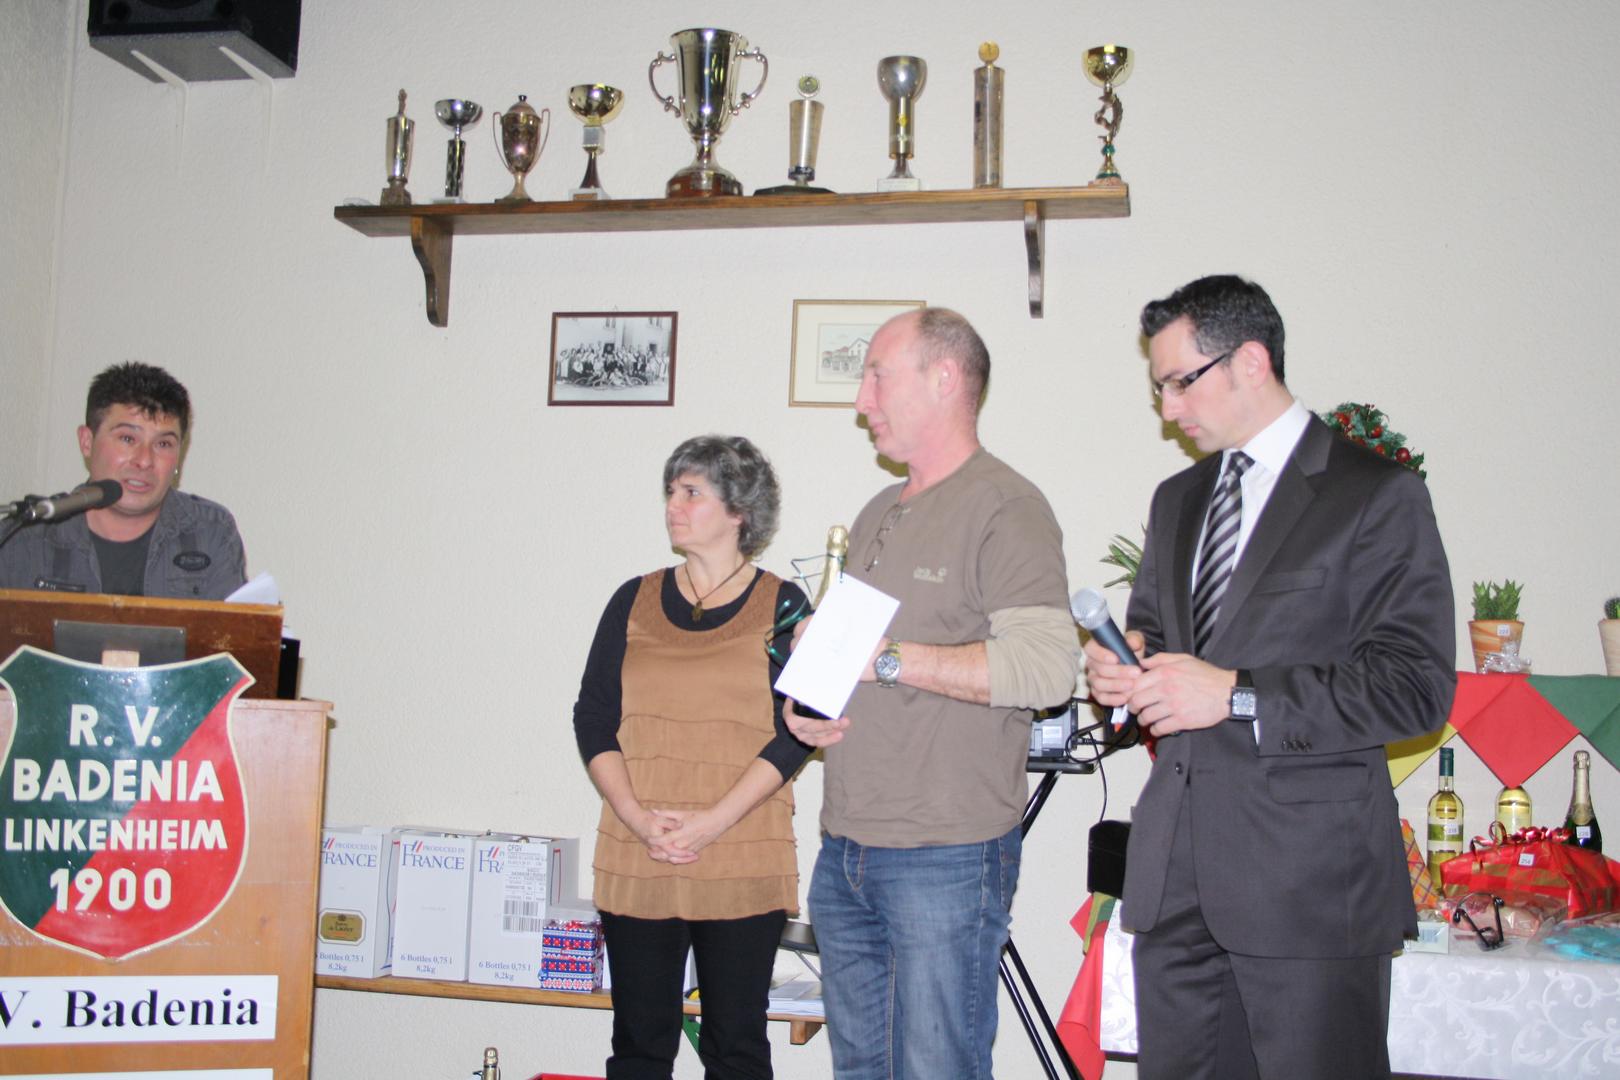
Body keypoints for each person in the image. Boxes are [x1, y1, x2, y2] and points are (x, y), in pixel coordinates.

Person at [1082, 275, 1456, 1079]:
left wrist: (1236, 692)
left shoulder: (1373, 494)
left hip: (1308, 888)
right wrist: (1123, 670)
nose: (1168, 410)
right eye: (1158, 389)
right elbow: (1160, 645)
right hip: (1176, 879)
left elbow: (1415, 686)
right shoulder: (1178, 499)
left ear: (1250, 361)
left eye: (1180, 382)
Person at [785, 308, 1080, 1079]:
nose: (862, 400)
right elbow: (856, 660)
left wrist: (887, 662)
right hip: (846, 851)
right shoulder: (878, 511)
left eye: (877, 376)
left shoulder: (1006, 507)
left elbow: (1049, 668)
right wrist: (810, 697)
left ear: (944, 379)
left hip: (944, 858)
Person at [572, 434, 811, 1080]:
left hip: (741, 850)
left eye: (691, 493)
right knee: (639, 1048)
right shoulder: (632, 599)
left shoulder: (785, 606)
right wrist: (636, 817)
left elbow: (799, 732)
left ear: (739, 512)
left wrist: (711, 823)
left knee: (736, 1050)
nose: (673, 506)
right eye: (671, 493)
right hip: (640, 849)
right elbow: (593, 717)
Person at [0, 361, 246, 599]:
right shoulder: (23, 537)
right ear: (87, 442)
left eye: (163, 444)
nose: (144, 460)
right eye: (128, 439)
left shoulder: (210, 533)